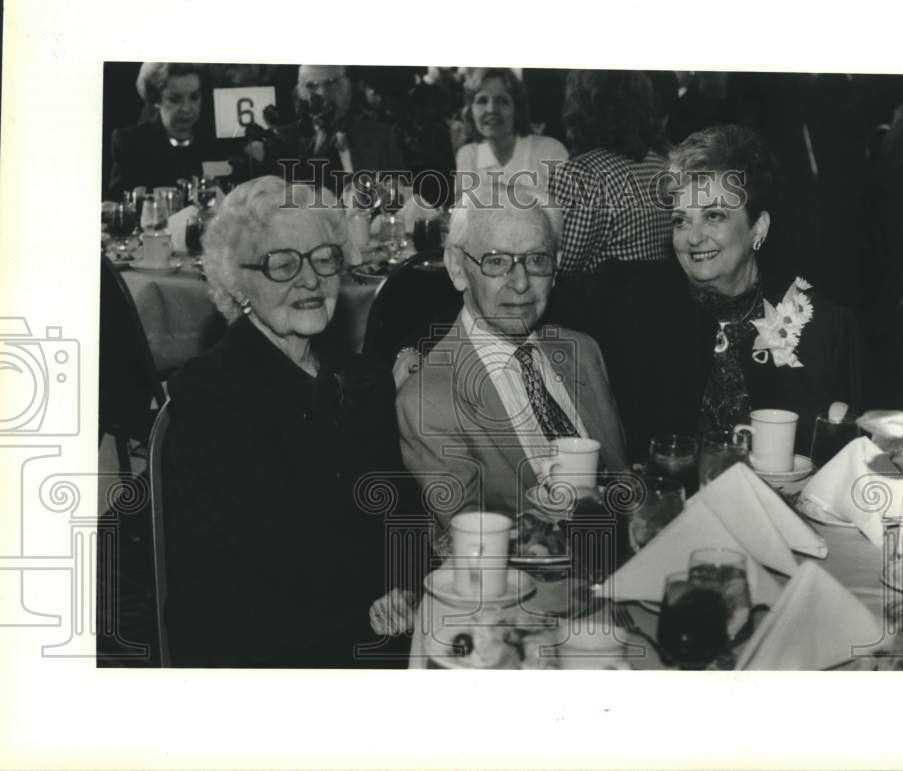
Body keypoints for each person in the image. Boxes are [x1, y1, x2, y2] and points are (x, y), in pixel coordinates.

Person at [162, 176, 412, 666]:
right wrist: (374, 602)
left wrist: (402, 584)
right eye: (281, 264)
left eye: (324, 258)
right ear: (238, 282)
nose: (310, 280)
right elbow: (275, 558)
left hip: (363, 627)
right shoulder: (212, 392)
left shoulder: (359, 379)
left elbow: (398, 509)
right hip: (266, 651)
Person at [594, 125, 865, 459]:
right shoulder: (641, 314)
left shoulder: (821, 328)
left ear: (758, 228)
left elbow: (841, 462)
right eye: (681, 220)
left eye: (713, 216)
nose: (692, 238)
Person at [395, 182, 628, 527]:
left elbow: (621, 476)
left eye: (537, 260)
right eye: (497, 261)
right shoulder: (428, 399)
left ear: (557, 266)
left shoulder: (583, 351)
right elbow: (473, 544)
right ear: (457, 268)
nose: (520, 283)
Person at [549, 70, 673, 274]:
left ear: (580, 108)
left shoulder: (581, 174)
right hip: (652, 301)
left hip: (600, 302)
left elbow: (556, 269)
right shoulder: (662, 165)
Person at [253, 64, 405, 197]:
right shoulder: (284, 140)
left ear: (347, 87)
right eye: (312, 86)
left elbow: (398, 198)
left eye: (331, 82)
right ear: (300, 93)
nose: (323, 93)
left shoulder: (380, 136)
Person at [106, 63, 224, 200]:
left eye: (194, 97)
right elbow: (113, 205)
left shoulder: (216, 142)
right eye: (174, 99)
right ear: (155, 99)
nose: (187, 108)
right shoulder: (130, 143)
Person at [454, 68, 567, 199]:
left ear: (517, 109)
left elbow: (569, 215)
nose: (491, 109)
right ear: (470, 110)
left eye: (502, 100)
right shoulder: (467, 155)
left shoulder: (550, 152)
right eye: (482, 100)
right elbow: (461, 217)